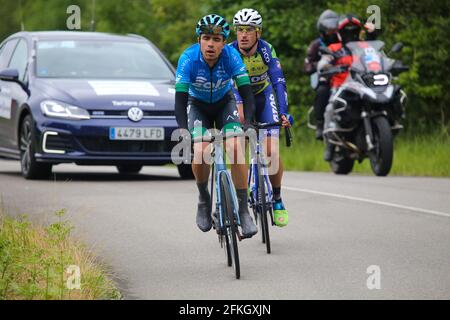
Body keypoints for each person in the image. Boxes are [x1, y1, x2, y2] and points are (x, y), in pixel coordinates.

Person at [174, 14, 258, 237]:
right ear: (199, 39)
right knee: (201, 151)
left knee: (236, 147)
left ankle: (243, 208)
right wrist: (183, 130)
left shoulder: (231, 56)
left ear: (224, 43)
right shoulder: (188, 59)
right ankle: (204, 198)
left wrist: (247, 122)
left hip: (224, 103)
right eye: (206, 38)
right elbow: (180, 100)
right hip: (197, 105)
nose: (211, 44)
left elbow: (246, 94)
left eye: (217, 39)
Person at [230, 8, 293, 227]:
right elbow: (230, 86)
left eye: (249, 30)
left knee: (271, 152)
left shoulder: (266, 50)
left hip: (263, 98)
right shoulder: (230, 53)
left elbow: (278, 82)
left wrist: (283, 112)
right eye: (240, 30)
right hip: (239, 97)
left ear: (258, 32)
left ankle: (277, 199)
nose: (243, 34)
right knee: (238, 147)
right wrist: (239, 111)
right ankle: (242, 195)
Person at [304, 9, 340, 140]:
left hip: (345, 77)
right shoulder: (316, 45)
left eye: (334, 29)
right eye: (329, 30)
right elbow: (307, 65)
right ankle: (320, 124)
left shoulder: (344, 42)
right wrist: (320, 65)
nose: (332, 33)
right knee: (322, 92)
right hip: (326, 79)